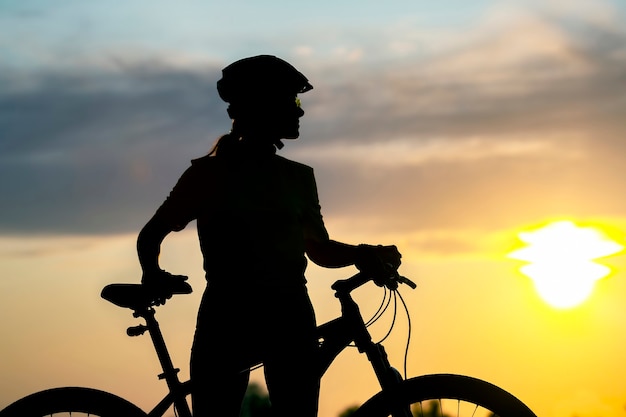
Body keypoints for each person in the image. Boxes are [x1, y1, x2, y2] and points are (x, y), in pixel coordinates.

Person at [136, 55, 402, 417]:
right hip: (269, 318)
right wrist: (363, 253)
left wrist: (363, 253)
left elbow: (319, 250)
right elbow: (320, 252)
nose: (301, 112)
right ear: (265, 105)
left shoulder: (271, 176)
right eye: (293, 101)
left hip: (239, 318)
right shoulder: (216, 175)